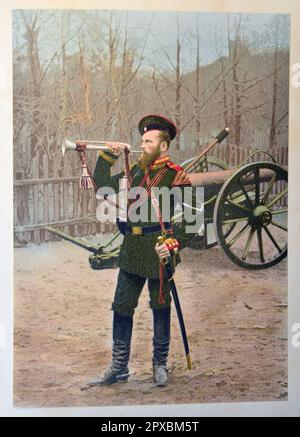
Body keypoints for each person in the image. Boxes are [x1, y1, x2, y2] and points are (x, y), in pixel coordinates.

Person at [89, 115, 191, 387]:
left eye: (149, 141)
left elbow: (192, 220)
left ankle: (160, 364)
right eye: (142, 140)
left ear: (163, 146)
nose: (142, 145)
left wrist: (172, 245)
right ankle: (119, 367)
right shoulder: (134, 171)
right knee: (122, 306)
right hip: (132, 249)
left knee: (160, 306)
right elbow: (103, 187)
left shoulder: (175, 174)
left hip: (160, 251)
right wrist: (107, 158)